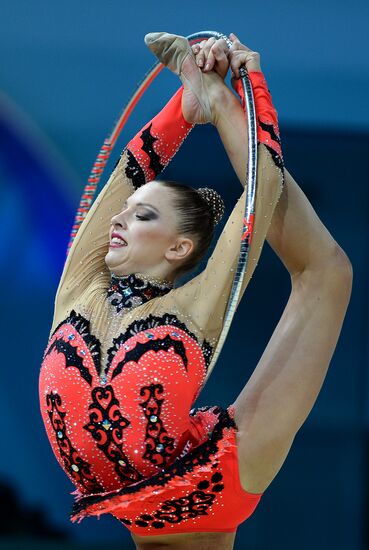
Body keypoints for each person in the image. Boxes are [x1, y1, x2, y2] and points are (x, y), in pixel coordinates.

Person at [39, 32, 352, 550]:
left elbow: (261, 192)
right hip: (143, 498)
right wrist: (184, 102)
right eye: (126, 211)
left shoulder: (193, 307)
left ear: (180, 247)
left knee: (327, 273)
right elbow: (125, 176)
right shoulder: (78, 290)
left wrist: (241, 95)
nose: (118, 217)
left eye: (143, 215)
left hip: (213, 476)